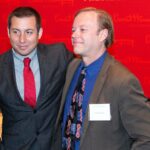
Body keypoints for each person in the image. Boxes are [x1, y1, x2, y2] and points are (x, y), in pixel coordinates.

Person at [54, 7, 150, 150]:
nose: (74, 35)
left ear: (102, 34)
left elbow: (146, 136)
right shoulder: (72, 68)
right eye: (73, 30)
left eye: (83, 29)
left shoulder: (123, 81)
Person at [0, 6, 73, 150]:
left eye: (29, 32)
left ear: (39, 33)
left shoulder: (59, 56)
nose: (22, 39)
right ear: (8, 32)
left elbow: (87, 69)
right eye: (16, 32)